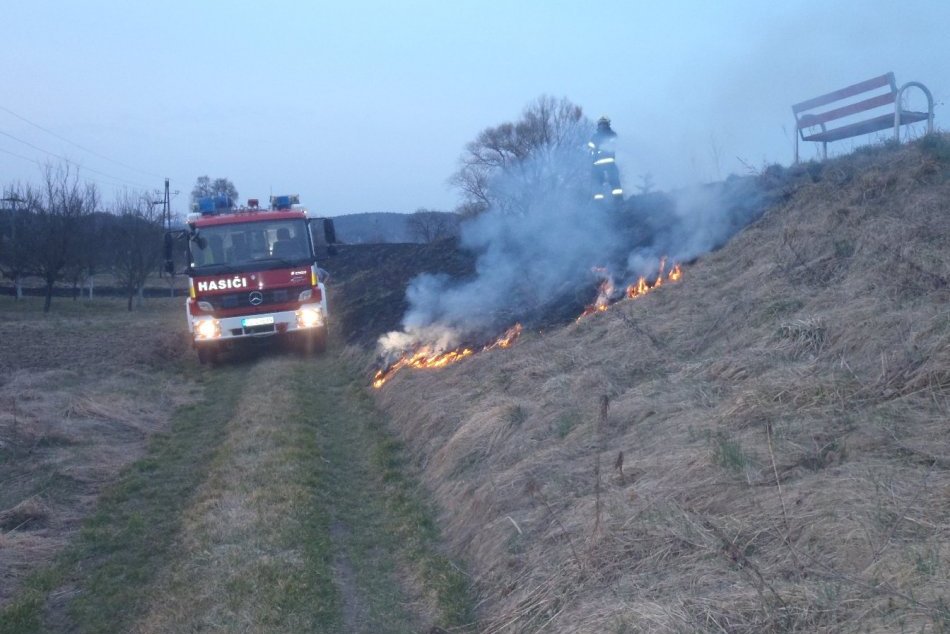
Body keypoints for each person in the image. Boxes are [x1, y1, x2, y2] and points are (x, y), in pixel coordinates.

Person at [589, 116, 623, 205]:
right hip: (604, 164)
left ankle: (614, 202)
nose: (602, 126)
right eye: (602, 124)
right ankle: (616, 201)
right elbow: (590, 148)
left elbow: (613, 143)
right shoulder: (608, 135)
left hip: (601, 164)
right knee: (608, 183)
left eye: (604, 124)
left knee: (605, 183)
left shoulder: (599, 136)